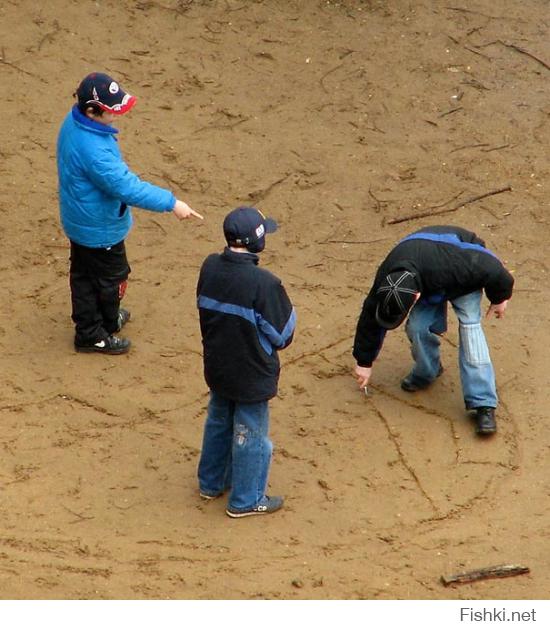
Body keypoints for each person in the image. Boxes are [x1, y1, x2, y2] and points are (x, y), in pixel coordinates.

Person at [56, 71, 203, 355]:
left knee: (83, 276)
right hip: (100, 229)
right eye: (111, 111)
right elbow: (127, 187)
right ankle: (99, 330)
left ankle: (92, 326)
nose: (117, 115)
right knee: (112, 278)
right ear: (91, 110)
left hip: (80, 221)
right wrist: (172, 203)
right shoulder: (95, 151)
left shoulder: (74, 123)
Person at [353, 225, 514, 436]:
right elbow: (370, 316)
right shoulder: (389, 277)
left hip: (465, 275)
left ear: (416, 297)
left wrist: (500, 297)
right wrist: (364, 362)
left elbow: (493, 269)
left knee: (470, 328)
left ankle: (483, 403)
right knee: (417, 327)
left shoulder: (463, 265)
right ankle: (428, 371)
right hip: (428, 273)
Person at [196, 206, 296, 518]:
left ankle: (210, 483)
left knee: (218, 420)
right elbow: (283, 334)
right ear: (257, 242)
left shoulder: (209, 266)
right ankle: (246, 499)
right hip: (251, 372)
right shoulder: (264, 283)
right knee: (250, 433)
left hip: (218, 365)